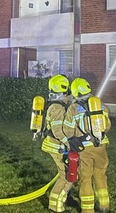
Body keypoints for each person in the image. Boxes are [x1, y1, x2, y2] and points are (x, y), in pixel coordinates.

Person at [64, 77, 112, 213]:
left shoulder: (74, 108)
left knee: (85, 178)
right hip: (101, 146)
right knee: (101, 175)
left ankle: (87, 209)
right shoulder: (100, 104)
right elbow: (107, 126)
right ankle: (104, 206)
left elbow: (67, 129)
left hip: (84, 148)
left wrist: (72, 140)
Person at [41, 74, 73, 213]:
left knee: (67, 174)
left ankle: (57, 202)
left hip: (55, 145)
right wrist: (70, 143)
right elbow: (58, 132)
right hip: (57, 146)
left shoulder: (55, 105)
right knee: (67, 175)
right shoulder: (58, 108)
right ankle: (55, 206)